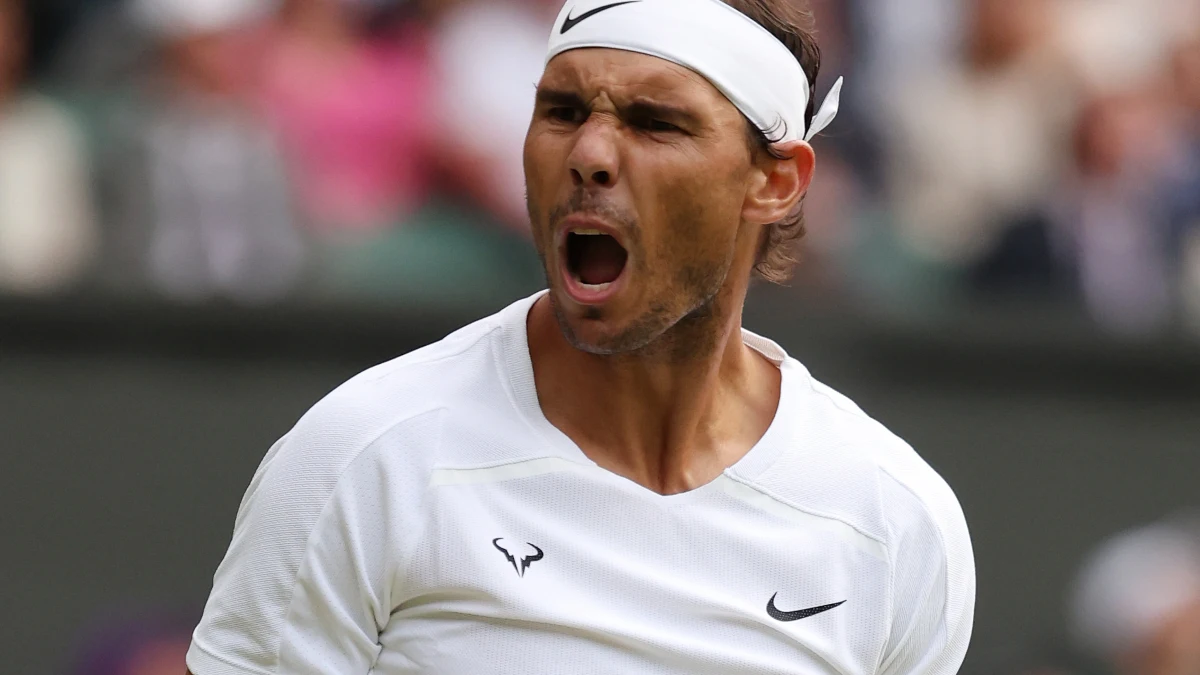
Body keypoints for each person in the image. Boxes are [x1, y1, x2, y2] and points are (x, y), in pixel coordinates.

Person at [186, 1, 975, 673]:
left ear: (773, 182)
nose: (589, 155)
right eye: (561, 112)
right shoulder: (362, 458)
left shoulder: (894, 522)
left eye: (654, 122)